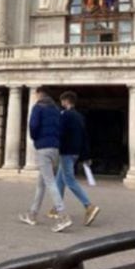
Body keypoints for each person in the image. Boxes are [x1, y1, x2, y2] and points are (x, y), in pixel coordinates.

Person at [19, 87, 72, 232]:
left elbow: (33, 126)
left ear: (39, 95)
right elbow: (60, 129)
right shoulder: (56, 110)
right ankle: (32, 214)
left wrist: (36, 138)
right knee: (41, 184)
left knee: (50, 182)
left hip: (43, 148)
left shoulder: (38, 107)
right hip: (55, 148)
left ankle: (62, 216)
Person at [50, 91, 100, 226]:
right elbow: (84, 137)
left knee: (69, 180)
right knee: (59, 180)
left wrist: (54, 147)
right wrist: (85, 155)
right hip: (75, 152)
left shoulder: (65, 115)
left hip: (66, 151)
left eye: (62, 101)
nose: (61, 104)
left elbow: (60, 133)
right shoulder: (80, 116)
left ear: (66, 101)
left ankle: (89, 206)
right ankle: (57, 207)